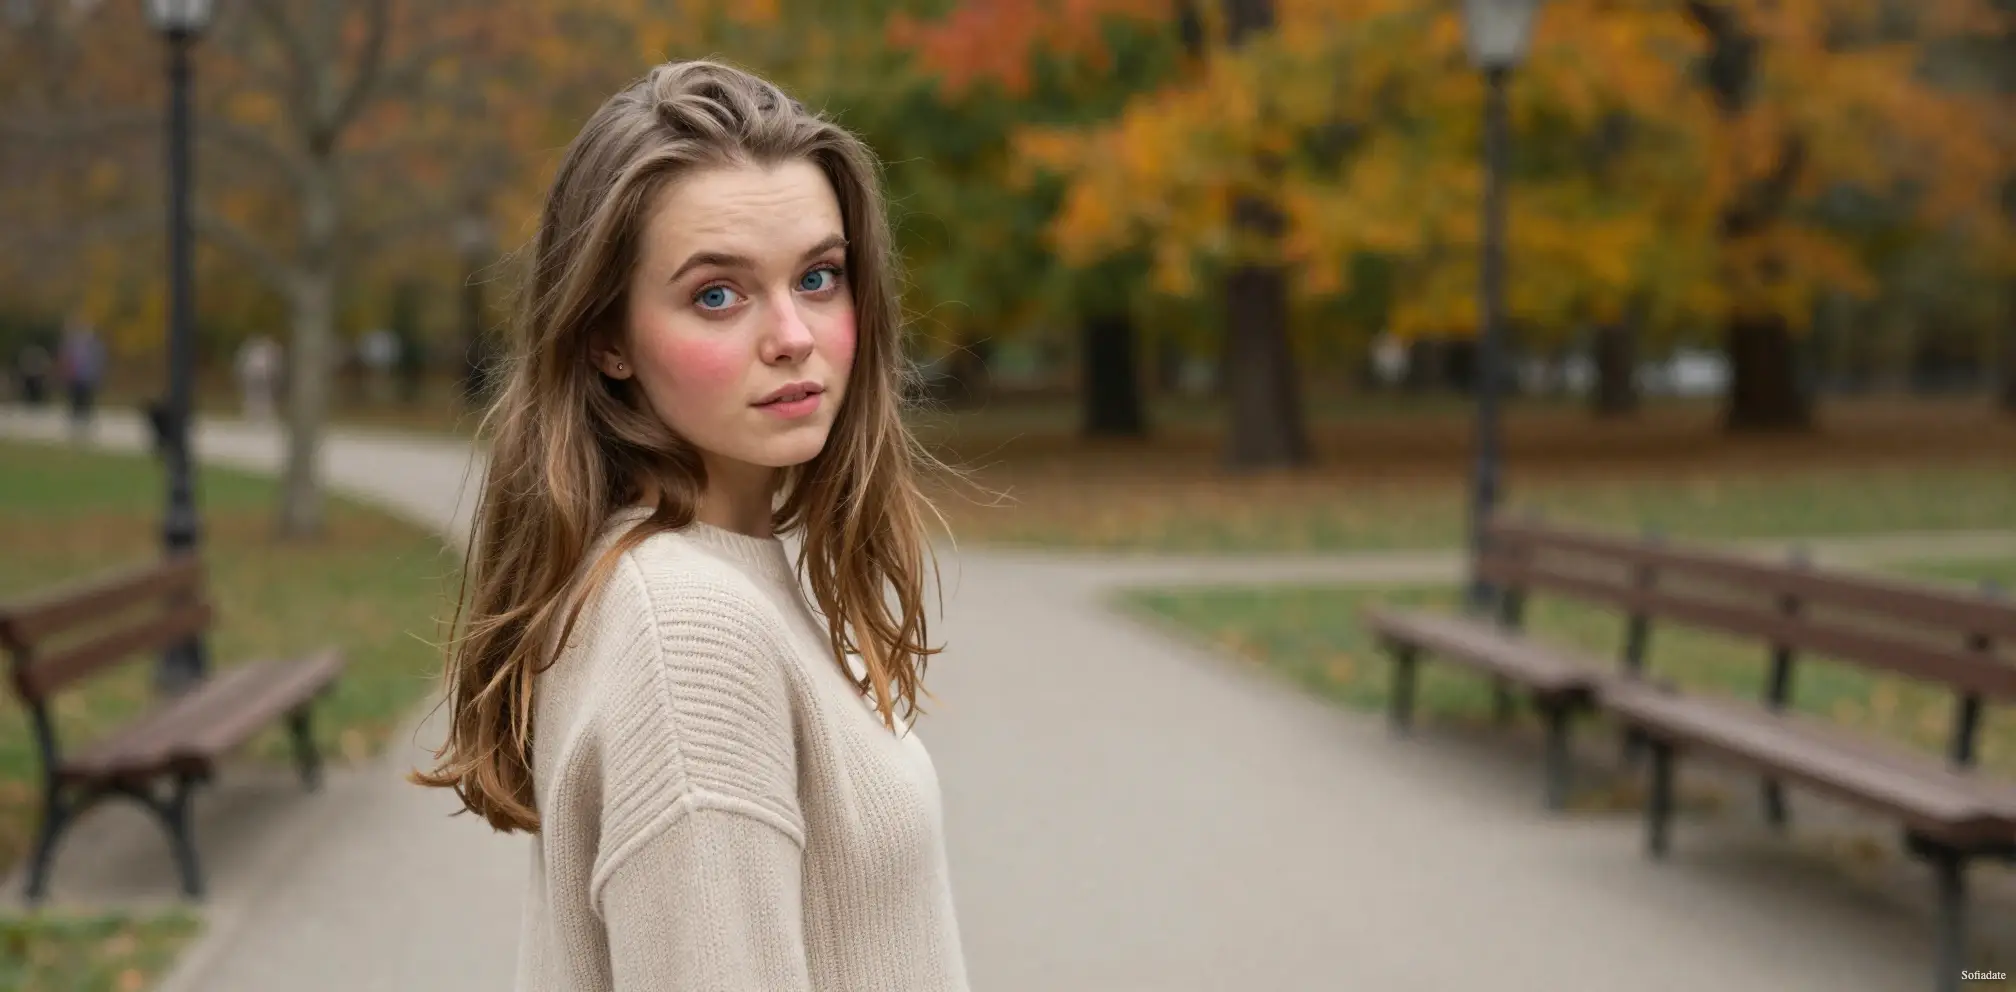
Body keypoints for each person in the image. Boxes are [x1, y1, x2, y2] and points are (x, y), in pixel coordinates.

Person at [410, 60, 979, 991]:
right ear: (607, 340)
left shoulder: (702, 578)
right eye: (718, 294)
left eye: (820, 277)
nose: (791, 333)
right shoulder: (689, 631)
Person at [57, 318, 105, 440]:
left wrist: (97, 376)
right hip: (75, 379)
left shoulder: (95, 346)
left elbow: (99, 362)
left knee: (86, 402)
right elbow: (66, 360)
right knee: (74, 402)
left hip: (88, 379)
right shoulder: (73, 344)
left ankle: (85, 428)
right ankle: (74, 427)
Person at [234, 335, 283, 422]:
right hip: (254, 375)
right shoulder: (253, 348)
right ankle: (252, 412)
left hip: (263, 376)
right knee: (254, 394)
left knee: (264, 394)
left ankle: (263, 413)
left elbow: (274, 363)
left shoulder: (268, 348)